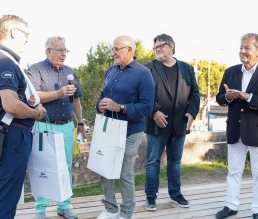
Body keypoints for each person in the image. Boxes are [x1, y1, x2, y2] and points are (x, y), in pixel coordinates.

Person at [0, 15, 47, 219]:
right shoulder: (3, 61)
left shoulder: (4, 59)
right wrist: (36, 113)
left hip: (13, 136)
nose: (27, 40)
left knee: (8, 197)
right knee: (6, 200)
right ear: (13, 32)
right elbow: (10, 104)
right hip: (13, 136)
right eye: (25, 34)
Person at [215, 33, 258, 219]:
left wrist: (246, 96)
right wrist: (227, 97)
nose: (242, 51)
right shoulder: (230, 71)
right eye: (241, 47)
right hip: (235, 130)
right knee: (233, 172)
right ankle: (231, 206)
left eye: (246, 48)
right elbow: (219, 98)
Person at [95, 35, 155, 219]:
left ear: (129, 50)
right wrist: (99, 104)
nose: (113, 52)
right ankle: (111, 209)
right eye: (112, 49)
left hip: (130, 131)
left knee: (124, 174)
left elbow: (147, 107)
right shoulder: (111, 70)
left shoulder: (143, 74)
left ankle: (126, 213)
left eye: (116, 49)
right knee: (104, 170)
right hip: (108, 129)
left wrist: (119, 107)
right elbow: (102, 95)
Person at [27, 36, 85, 219]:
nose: (63, 54)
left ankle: (64, 205)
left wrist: (81, 122)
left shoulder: (70, 71)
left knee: (66, 167)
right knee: (41, 167)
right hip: (43, 126)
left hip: (67, 127)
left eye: (65, 50)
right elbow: (33, 96)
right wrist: (59, 93)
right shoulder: (36, 69)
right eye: (60, 50)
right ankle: (40, 209)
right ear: (48, 51)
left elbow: (76, 100)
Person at [144, 34, 200, 211]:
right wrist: (154, 111)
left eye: (161, 45)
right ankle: (151, 196)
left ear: (172, 47)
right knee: (153, 162)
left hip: (180, 124)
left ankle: (175, 194)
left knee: (175, 162)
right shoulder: (148, 69)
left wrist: (191, 113)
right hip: (156, 124)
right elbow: (142, 95)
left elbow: (195, 95)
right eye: (155, 47)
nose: (158, 49)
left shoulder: (187, 69)